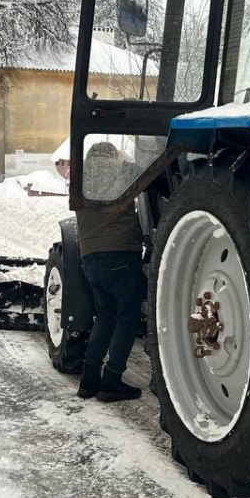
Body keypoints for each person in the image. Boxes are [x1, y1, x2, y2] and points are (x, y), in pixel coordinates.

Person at [75, 142, 145, 402]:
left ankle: (89, 378)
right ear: (112, 156)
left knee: (104, 316)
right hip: (120, 252)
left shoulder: (79, 177)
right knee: (126, 317)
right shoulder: (122, 171)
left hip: (90, 257)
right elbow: (149, 172)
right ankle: (111, 381)